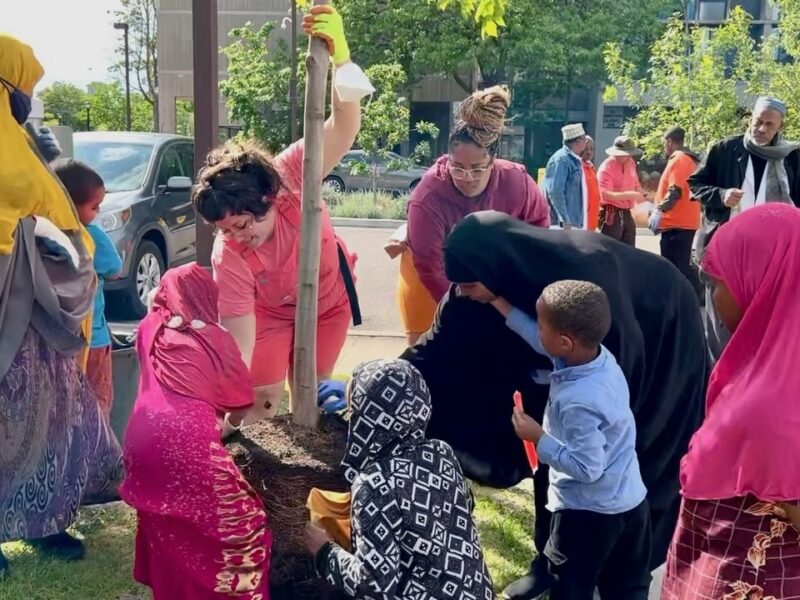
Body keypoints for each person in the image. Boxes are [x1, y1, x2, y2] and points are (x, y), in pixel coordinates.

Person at [401, 211, 707, 600]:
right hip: (574, 380)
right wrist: (386, 379)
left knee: (628, 461)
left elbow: (599, 438)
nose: (461, 292)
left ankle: (604, 568)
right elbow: (439, 345)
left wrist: (547, 437)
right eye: (456, 284)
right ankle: (550, 563)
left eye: (468, 285)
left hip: (659, 327)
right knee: (561, 473)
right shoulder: (489, 281)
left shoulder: (584, 292)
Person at [192, 4, 362, 424]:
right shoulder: (227, 253)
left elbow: (345, 125)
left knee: (316, 395)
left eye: (242, 224)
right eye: (223, 229)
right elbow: (239, 338)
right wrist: (226, 397)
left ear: (266, 198)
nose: (235, 236)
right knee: (261, 401)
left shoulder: (291, 173)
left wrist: (341, 57)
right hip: (268, 313)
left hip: (327, 302)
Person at [0, 33, 122, 578]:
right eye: (22, 84)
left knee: (54, 423)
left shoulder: (22, 141)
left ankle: (47, 520)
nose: (26, 97)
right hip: (12, 313)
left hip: (45, 326)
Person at [661, 204, 800, 599]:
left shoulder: (771, 404)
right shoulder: (772, 363)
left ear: (764, 281)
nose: (714, 303)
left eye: (717, 285)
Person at [120, 263, 272, 599]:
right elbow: (242, 402)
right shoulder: (217, 339)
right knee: (244, 528)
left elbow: (156, 312)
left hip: (138, 440)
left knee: (169, 529)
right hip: (185, 444)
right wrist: (223, 429)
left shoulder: (149, 327)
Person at [492, 281, 650, 599]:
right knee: (627, 587)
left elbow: (587, 467)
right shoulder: (599, 359)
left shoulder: (579, 400)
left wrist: (537, 437)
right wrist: (497, 301)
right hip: (630, 501)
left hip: (587, 515)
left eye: (542, 329)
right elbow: (540, 340)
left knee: (570, 586)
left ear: (565, 342)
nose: (537, 333)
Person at [305, 358, 494, 599]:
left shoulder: (375, 484)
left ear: (368, 419)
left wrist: (324, 552)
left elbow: (374, 585)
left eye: (354, 410)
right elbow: (464, 507)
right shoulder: (441, 453)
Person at [398, 85, 550, 344]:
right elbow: (431, 267)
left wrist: (507, 297)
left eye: (478, 169)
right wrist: (472, 311)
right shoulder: (427, 198)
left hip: (496, 291)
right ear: (446, 159)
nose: (467, 178)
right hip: (431, 288)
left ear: (494, 161)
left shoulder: (518, 183)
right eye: (458, 167)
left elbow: (538, 234)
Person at [688, 96, 800, 362]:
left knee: (764, 318)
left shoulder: (792, 157)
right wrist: (721, 195)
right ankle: (719, 371)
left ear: (780, 126)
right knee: (720, 320)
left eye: (769, 125)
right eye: (757, 122)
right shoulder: (725, 148)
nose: (761, 129)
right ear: (750, 118)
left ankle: (754, 369)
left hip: (770, 255)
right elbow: (695, 184)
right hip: (726, 249)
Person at [55, 159, 123, 419]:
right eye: (94, 207)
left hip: (58, 339)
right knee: (98, 402)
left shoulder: (41, 230)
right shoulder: (91, 234)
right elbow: (115, 269)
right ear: (71, 204)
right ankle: (98, 455)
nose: (96, 213)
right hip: (93, 338)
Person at [648, 127, 702, 299]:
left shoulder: (679, 160)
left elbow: (675, 191)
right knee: (679, 266)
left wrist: (659, 210)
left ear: (670, 142)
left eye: (665, 143)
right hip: (682, 222)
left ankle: (692, 298)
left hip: (677, 223)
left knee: (675, 267)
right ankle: (691, 298)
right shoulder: (688, 160)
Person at [598, 136, 647, 246]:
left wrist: (643, 194)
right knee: (612, 248)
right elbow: (605, 195)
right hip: (611, 211)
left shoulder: (631, 163)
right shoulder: (606, 167)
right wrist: (631, 195)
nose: (627, 156)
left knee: (629, 246)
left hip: (626, 212)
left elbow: (635, 184)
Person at [542, 124, 589, 228]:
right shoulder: (561, 160)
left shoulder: (574, 160)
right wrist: (564, 220)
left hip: (573, 225)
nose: (586, 143)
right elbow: (555, 192)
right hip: (562, 227)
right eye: (584, 139)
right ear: (578, 141)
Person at [580, 136, 601, 231]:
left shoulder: (592, 167)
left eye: (591, 149)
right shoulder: (577, 168)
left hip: (592, 218)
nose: (589, 152)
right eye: (586, 149)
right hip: (582, 219)